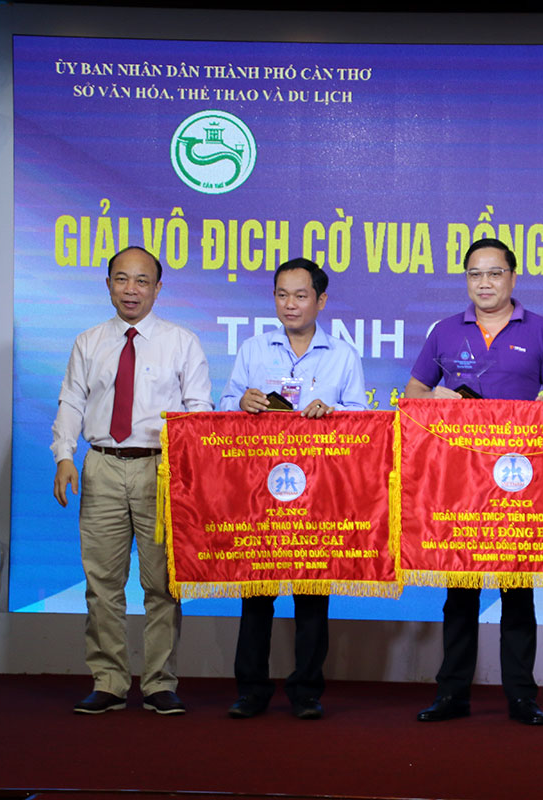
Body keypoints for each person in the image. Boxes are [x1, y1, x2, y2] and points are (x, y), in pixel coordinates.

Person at [406, 238, 543, 725]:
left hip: (518, 482)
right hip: (459, 480)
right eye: (475, 274)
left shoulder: (541, 330)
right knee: (459, 592)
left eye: (495, 273)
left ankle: (522, 697)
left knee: (518, 591)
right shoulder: (444, 331)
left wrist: (531, 417)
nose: (485, 282)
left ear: (512, 278)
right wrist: (437, 398)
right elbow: (413, 393)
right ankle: (452, 694)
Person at [52, 246, 212, 715]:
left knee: (162, 583)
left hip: (161, 469)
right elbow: (71, 402)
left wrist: (190, 473)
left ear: (158, 289)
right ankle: (109, 681)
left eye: (142, 281)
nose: (131, 290)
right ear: (108, 285)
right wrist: (64, 456)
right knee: (102, 582)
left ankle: (160, 682)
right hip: (101, 465)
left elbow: (199, 410)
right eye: (121, 279)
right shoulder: (88, 342)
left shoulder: (182, 342)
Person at [221, 258, 367, 721]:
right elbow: (222, 408)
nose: (290, 304)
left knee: (311, 594)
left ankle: (306, 690)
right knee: (256, 593)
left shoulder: (342, 355)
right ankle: (251, 690)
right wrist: (241, 402)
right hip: (261, 489)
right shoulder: (253, 350)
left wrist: (334, 412)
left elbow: (362, 420)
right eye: (282, 295)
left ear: (321, 301)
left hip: (318, 492)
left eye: (301, 296)